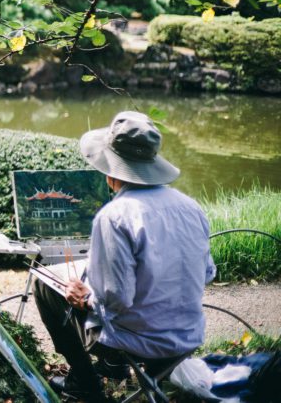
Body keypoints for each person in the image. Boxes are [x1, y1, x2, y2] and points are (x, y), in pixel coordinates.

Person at [34, 110, 216, 402]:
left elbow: (115, 299)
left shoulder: (114, 217)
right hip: (187, 336)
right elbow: (207, 273)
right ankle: (112, 368)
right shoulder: (191, 207)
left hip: (140, 342)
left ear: (110, 172)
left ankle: (85, 382)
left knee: (45, 285)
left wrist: (84, 298)